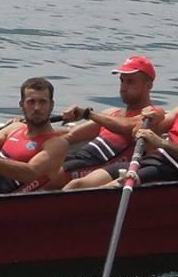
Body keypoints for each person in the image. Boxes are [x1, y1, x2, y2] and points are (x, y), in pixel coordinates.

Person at [66, 60, 178, 189]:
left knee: (111, 188)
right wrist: (148, 120)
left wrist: (161, 143)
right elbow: (140, 132)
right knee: (78, 185)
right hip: (150, 160)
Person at [0, 77, 75, 196]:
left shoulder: (56, 143)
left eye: (42, 102)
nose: (37, 108)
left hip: (6, 191)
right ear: (22, 105)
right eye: (31, 102)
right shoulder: (15, 128)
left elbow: (30, 173)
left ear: (51, 105)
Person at [57, 56, 163, 184]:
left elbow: (127, 126)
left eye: (130, 82)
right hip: (80, 159)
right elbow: (71, 135)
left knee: (52, 176)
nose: (123, 87)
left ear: (148, 85)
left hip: (104, 169)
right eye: (122, 81)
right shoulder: (111, 113)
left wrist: (87, 114)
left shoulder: (154, 114)